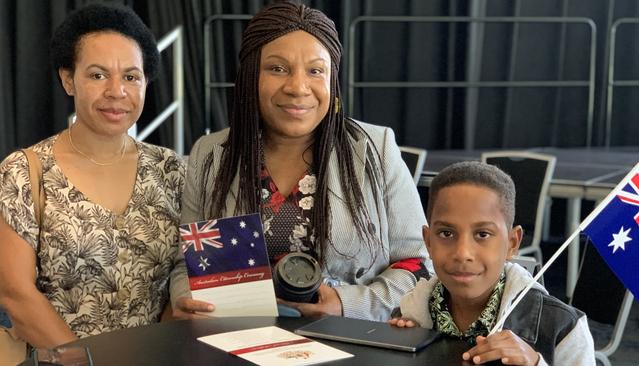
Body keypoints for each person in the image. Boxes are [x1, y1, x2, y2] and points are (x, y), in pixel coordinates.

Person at [170, 1, 432, 321]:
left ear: (331, 81)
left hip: (351, 341)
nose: (297, 87)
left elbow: (418, 265)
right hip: (242, 339)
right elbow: (190, 264)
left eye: (315, 70)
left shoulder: (376, 148)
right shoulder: (211, 155)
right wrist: (187, 299)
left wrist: (349, 303)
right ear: (252, 76)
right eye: (277, 68)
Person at [0, 3, 185, 350]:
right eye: (98, 75)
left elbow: (186, 276)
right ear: (68, 79)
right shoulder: (24, 173)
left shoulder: (172, 170)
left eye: (131, 76)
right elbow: (16, 295)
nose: (117, 91)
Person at [389, 161, 595, 365]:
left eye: (482, 234)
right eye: (446, 233)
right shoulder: (409, 313)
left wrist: (536, 363)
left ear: (512, 243)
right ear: (428, 241)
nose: (463, 253)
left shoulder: (562, 328)